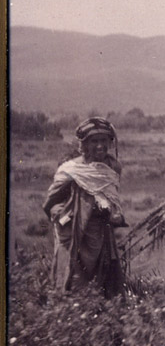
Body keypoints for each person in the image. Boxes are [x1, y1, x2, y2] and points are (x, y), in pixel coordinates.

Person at [42, 117, 126, 297]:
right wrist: (58, 212)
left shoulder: (113, 167)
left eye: (103, 140)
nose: (100, 146)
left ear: (110, 142)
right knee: (73, 280)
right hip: (74, 233)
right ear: (85, 144)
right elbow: (51, 201)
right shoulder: (72, 170)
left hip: (101, 233)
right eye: (94, 141)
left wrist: (115, 214)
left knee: (104, 281)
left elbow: (113, 198)